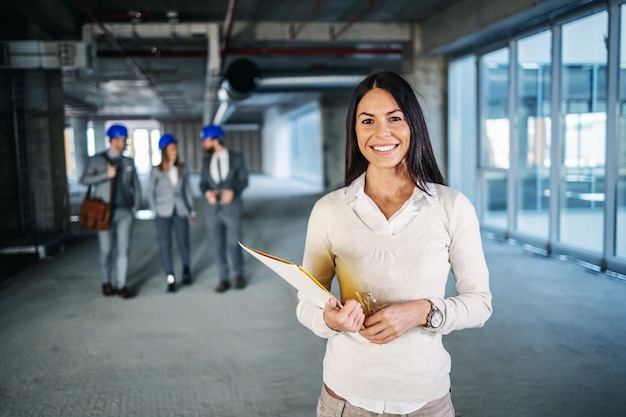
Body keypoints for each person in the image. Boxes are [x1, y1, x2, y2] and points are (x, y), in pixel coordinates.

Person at [296, 71, 493, 417]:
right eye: (367, 120)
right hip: (345, 397)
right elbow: (307, 303)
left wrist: (423, 311)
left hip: (425, 399)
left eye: (395, 118)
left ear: (412, 125)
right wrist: (330, 320)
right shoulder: (329, 211)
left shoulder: (451, 207)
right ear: (354, 130)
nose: (381, 133)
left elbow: (480, 304)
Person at [80, 124, 141, 299]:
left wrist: (135, 208)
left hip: (125, 213)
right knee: (106, 249)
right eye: (121, 140)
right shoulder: (97, 160)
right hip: (103, 213)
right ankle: (106, 282)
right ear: (112, 140)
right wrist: (106, 175)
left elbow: (135, 186)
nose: (124, 143)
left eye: (125, 140)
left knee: (124, 250)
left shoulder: (128, 162)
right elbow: (84, 180)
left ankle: (122, 285)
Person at [199, 124, 249, 293]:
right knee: (217, 244)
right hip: (212, 209)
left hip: (232, 207)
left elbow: (244, 180)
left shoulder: (237, 158)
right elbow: (202, 183)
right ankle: (223, 278)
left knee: (234, 243)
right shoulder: (206, 161)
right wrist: (207, 193)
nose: (202, 144)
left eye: (204, 140)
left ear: (215, 139)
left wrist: (233, 191)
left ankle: (239, 274)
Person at [147, 133, 196, 293]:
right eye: (172, 148)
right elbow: (150, 190)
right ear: (165, 151)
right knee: (165, 244)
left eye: (176, 148)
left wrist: (192, 209)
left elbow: (187, 190)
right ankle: (170, 276)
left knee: (184, 242)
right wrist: (154, 207)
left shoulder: (182, 168)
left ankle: (186, 269)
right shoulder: (157, 170)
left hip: (180, 209)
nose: (176, 151)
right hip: (163, 211)